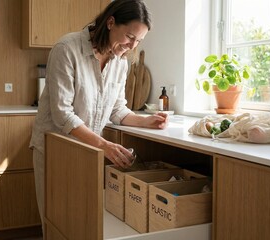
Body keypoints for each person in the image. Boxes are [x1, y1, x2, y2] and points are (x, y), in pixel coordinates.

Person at [29, 0, 168, 228]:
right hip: (56, 149)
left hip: (87, 150)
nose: (132, 46)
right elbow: (63, 114)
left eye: (139, 41)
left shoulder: (121, 63)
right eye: (130, 37)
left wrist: (146, 121)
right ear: (111, 22)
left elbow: (117, 109)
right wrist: (104, 146)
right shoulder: (67, 49)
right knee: (55, 220)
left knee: (80, 221)